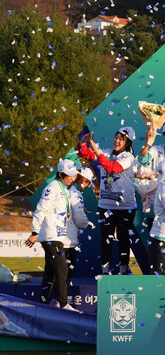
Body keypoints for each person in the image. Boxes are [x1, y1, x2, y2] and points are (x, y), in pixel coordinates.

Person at [77, 127, 137, 275]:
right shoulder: (106, 152)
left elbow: (112, 167)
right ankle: (105, 272)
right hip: (105, 205)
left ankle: (123, 272)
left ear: (128, 142)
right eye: (116, 137)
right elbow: (85, 154)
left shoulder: (128, 157)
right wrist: (83, 142)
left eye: (121, 139)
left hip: (125, 207)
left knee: (123, 240)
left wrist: (96, 150)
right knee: (105, 240)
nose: (117, 141)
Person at [25, 159, 80, 310]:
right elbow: (40, 210)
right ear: (61, 175)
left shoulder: (63, 188)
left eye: (74, 175)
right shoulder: (51, 188)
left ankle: (42, 304)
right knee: (62, 269)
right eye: (69, 175)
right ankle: (63, 304)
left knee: (50, 272)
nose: (73, 178)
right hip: (50, 237)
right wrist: (35, 232)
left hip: (58, 236)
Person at [63, 168, 93, 284]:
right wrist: (87, 224)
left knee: (52, 274)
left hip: (55, 238)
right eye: (86, 182)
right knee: (66, 275)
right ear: (80, 180)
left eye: (87, 183)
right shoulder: (76, 194)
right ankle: (61, 296)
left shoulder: (62, 189)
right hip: (67, 240)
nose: (85, 185)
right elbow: (79, 217)